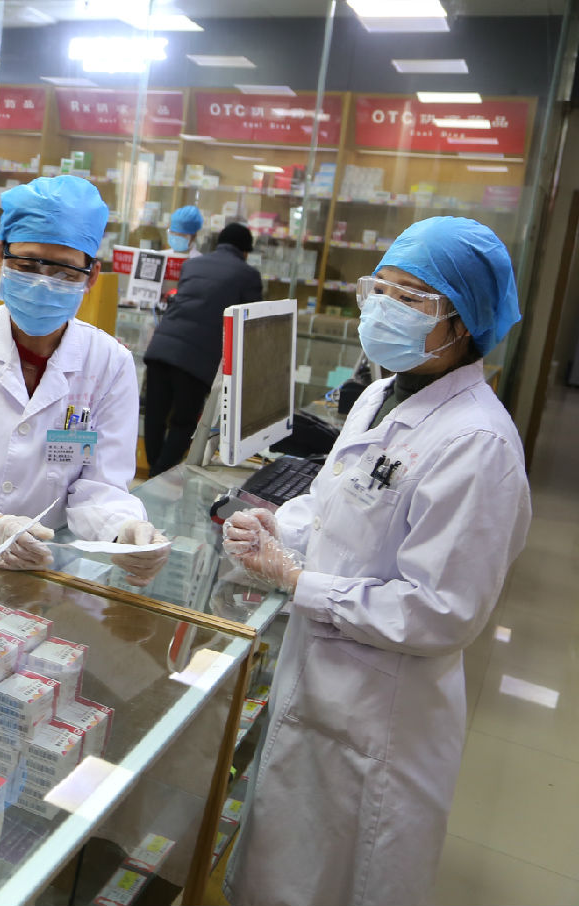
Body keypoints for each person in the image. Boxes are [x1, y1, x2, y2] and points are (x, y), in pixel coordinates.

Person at [222, 217, 531, 906]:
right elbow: (336, 505)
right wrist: (277, 527)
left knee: (342, 877)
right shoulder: (378, 395)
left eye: (410, 297)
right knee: (281, 866)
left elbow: (441, 612)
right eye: (379, 288)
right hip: (320, 684)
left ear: (463, 321)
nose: (384, 308)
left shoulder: (478, 444)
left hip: (379, 718)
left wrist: (297, 579)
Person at [0, 175, 170, 586]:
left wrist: (123, 529)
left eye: (64, 272)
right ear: (0, 258)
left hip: (42, 574)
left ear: (92, 275)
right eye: (26, 266)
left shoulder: (109, 364)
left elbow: (100, 486)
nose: (42, 283)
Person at [141, 221, 263, 476]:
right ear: (245, 251)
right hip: (196, 360)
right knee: (183, 423)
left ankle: (153, 472)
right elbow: (249, 325)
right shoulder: (248, 275)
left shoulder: (192, 265)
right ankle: (158, 476)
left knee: (154, 416)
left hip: (161, 348)